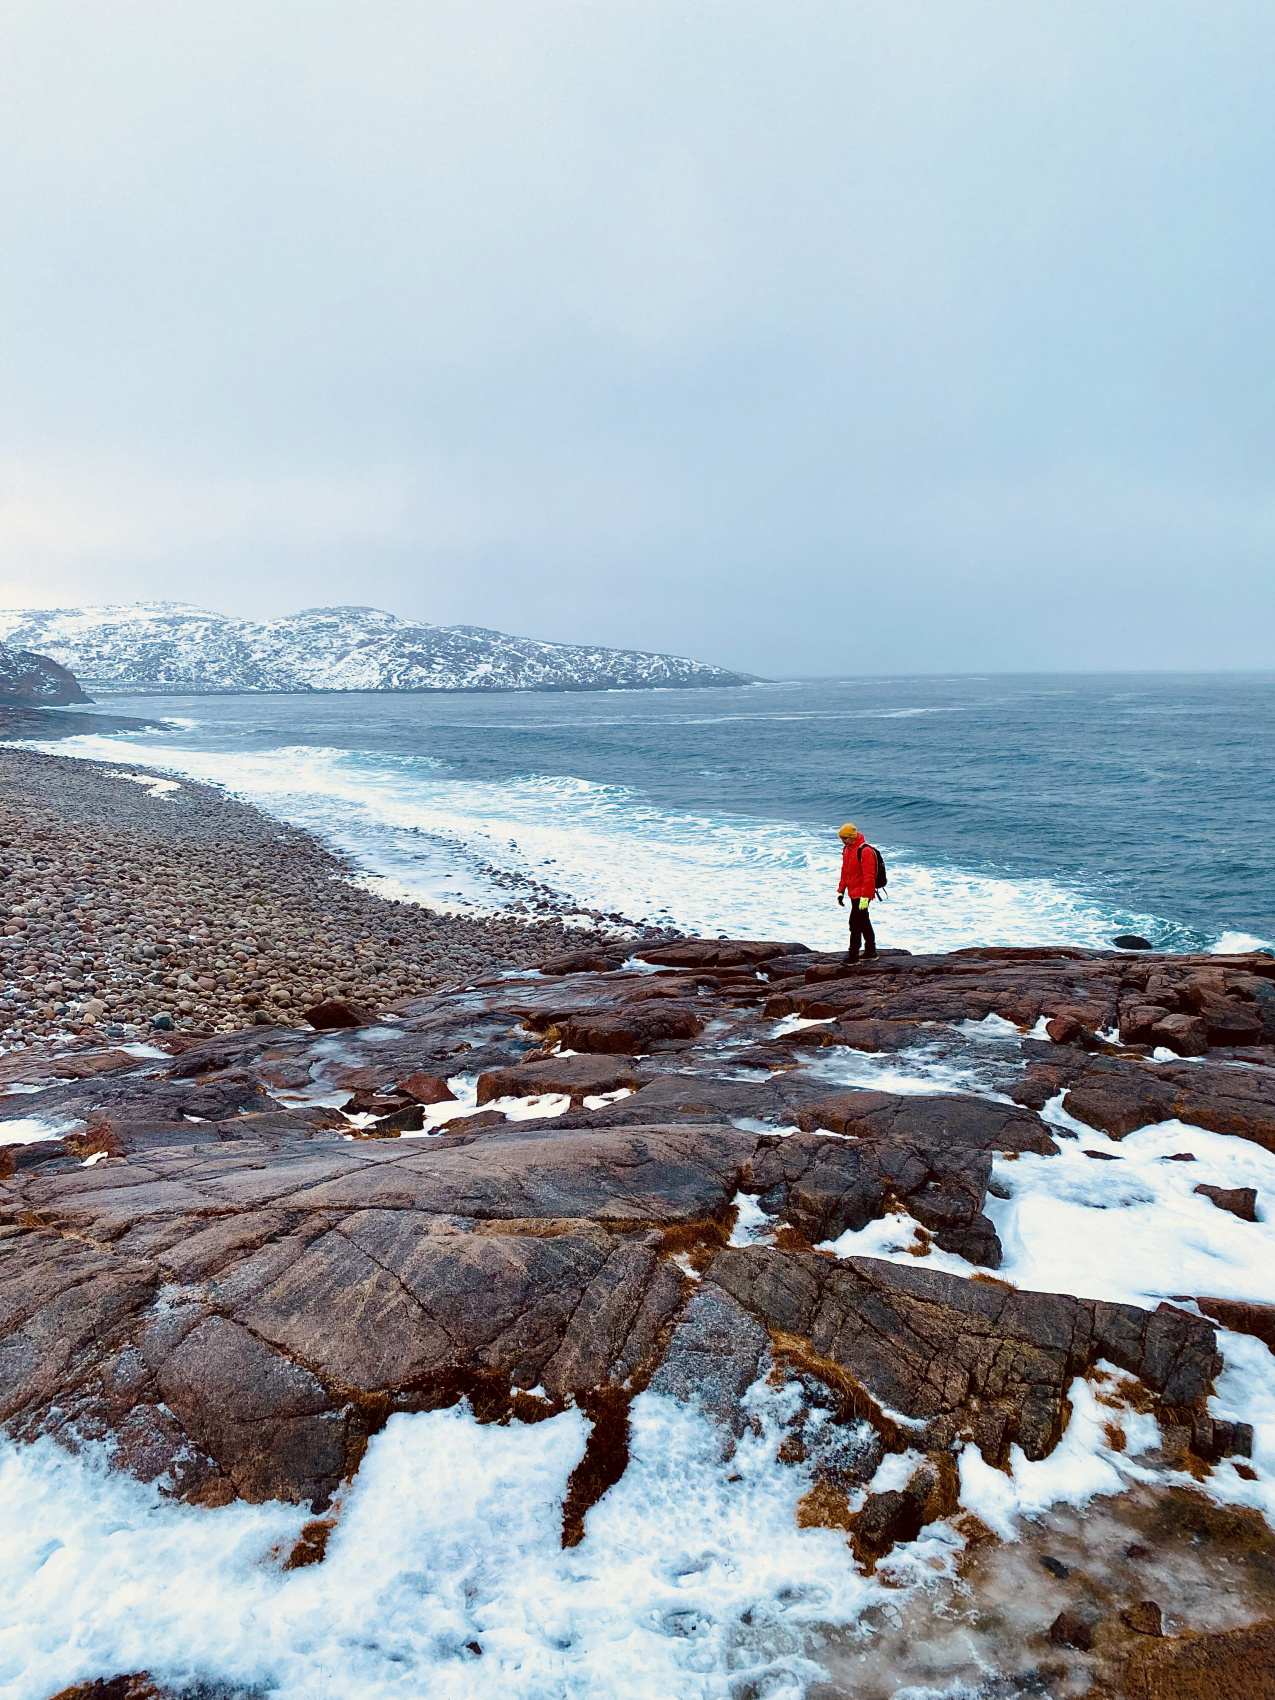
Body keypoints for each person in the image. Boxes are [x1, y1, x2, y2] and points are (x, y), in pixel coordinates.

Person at [836, 822, 878, 962]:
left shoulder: (865, 851)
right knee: (864, 922)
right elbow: (845, 872)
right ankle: (871, 951)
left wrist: (865, 897)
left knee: (854, 923)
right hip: (852, 893)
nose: (843, 841)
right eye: (841, 838)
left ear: (853, 837)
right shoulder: (847, 849)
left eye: (845, 838)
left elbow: (869, 876)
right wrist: (841, 890)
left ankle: (853, 956)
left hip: (862, 894)